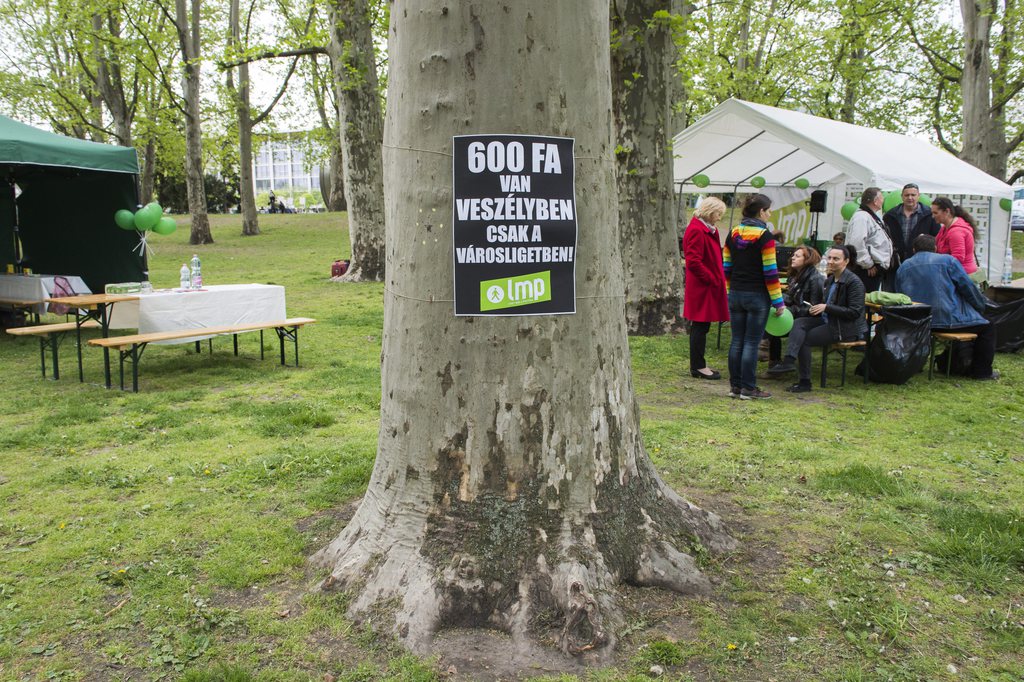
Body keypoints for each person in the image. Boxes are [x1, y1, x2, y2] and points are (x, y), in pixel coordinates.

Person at [766, 245, 867, 393]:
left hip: (844, 327)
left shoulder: (854, 282)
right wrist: (818, 308)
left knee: (805, 338)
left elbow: (855, 312)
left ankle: (805, 381)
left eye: (836, 259)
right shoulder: (831, 280)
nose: (831, 261)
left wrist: (826, 307)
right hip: (829, 320)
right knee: (799, 323)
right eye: (830, 258)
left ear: (846, 261)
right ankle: (788, 361)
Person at [895, 235, 997, 380]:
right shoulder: (948, 261)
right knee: (988, 327)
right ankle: (982, 372)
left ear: (913, 249)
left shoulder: (904, 266)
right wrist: (980, 307)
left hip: (918, 323)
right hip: (948, 321)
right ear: (936, 248)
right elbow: (968, 288)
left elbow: (899, 296)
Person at [723, 193, 785, 399]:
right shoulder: (765, 237)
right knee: (751, 342)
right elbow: (770, 272)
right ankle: (749, 388)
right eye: (768, 210)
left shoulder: (732, 233)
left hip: (736, 294)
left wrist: (729, 292)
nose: (770, 213)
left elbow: (727, 267)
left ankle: (736, 387)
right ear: (761, 212)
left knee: (736, 341)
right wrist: (778, 301)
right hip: (757, 295)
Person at [682, 197, 729, 380]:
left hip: (706, 285)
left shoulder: (705, 229)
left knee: (702, 326)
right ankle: (698, 366)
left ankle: (699, 365)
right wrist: (711, 278)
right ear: (710, 212)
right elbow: (693, 261)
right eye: (718, 214)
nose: (719, 218)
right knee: (700, 327)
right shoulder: (697, 230)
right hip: (702, 287)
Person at [767, 245, 825, 364]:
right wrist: (778, 301)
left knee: (775, 320)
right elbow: (790, 297)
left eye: (797, 256)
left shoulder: (815, 278)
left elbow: (813, 308)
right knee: (771, 315)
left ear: (807, 260)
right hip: (795, 314)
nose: (792, 258)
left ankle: (772, 358)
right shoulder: (796, 276)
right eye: (793, 255)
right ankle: (774, 361)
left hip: (806, 319)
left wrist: (789, 310)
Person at [845, 187, 894, 292]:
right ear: (875, 201)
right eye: (881, 198)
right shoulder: (862, 217)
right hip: (866, 270)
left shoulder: (871, 217)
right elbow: (856, 242)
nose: (883, 200)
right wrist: (868, 264)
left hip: (873, 268)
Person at [883, 183, 940, 264]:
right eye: (907, 195)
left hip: (922, 260)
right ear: (902, 196)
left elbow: (937, 236)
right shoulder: (890, 215)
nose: (910, 198)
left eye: (913, 195)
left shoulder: (929, 215)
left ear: (918, 196)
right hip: (896, 260)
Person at [931, 196, 979, 275]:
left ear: (947, 211)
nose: (933, 216)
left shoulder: (956, 232)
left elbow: (957, 258)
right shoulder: (945, 228)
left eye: (935, 213)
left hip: (960, 275)